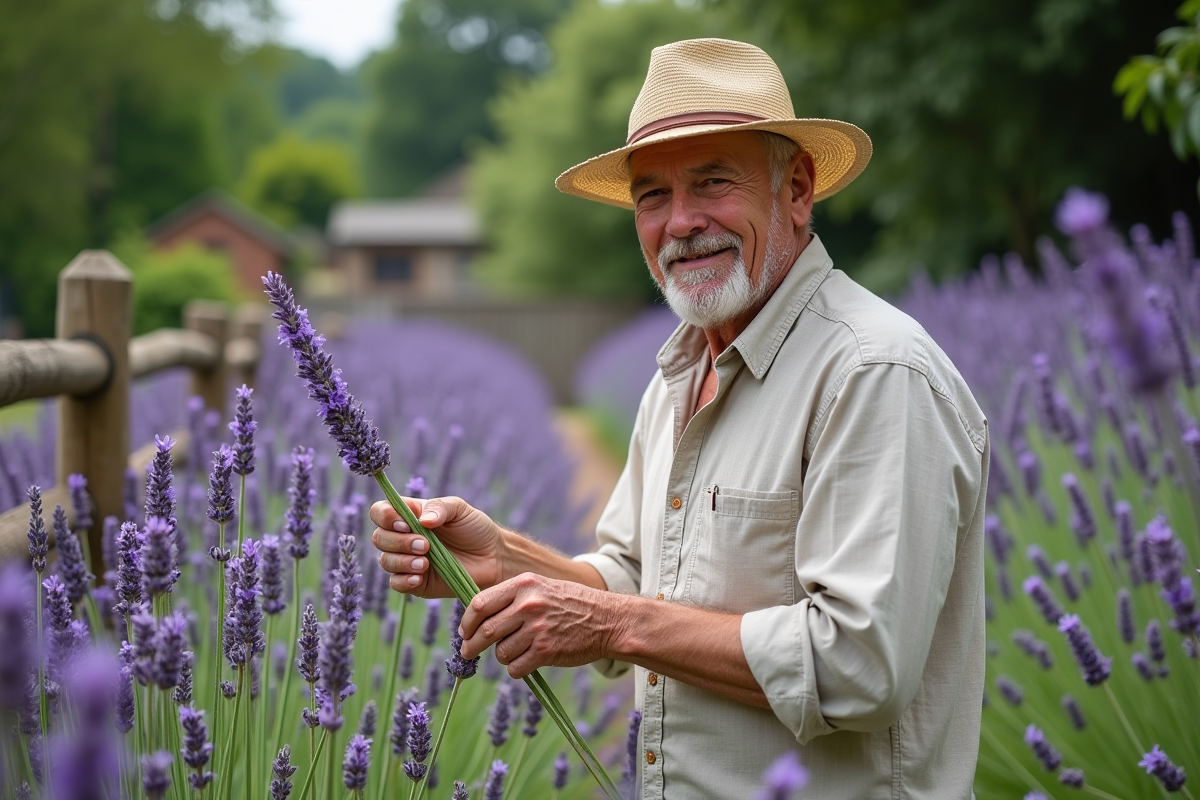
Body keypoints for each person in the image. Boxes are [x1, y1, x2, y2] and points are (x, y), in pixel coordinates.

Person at [371, 38, 988, 799]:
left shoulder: (873, 374)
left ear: (796, 190)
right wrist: (504, 558)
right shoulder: (678, 375)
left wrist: (610, 625)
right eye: (653, 196)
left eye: (713, 182)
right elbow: (634, 578)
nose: (682, 222)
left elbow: (859, 667)